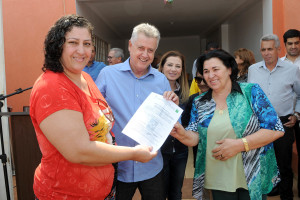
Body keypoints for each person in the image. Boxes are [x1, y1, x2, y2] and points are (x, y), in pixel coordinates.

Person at [29, 15, 157, 200]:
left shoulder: (86, 78)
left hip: (103, 191)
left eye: (87, 44)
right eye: (73, 42)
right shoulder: (52, 86)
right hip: (64, 194)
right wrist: (134, 153)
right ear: (57, 45)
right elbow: (79, 151)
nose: (82, 51)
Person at [171, 49, 284, 200]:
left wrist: (240, 145)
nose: (210, 75)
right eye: (205, 71)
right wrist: (181, 133)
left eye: (215, 69)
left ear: (229, 69)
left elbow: (276, 129)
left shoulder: (251, 92)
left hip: (251, 174)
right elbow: (195, 137)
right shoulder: (200, 102)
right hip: (217, 176)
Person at [95, 23, 179, 200]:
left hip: (152, 166)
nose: (145, 55)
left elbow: (167, 119)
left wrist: (172, 105)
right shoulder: (107, 74)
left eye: (151, 50)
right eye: (141, 48)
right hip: (118, 166)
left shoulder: (161, 79)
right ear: (130, 46)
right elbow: (93, 111)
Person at [248, 34, 300, 200]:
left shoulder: (292, 70)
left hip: (283, 123)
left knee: (283, 165)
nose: (267, 53)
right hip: (259, 124)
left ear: (278, 49)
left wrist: (297, 114)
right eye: (263, 49)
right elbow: (249, 96)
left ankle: (286, 197)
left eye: (270, 49)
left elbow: (299, 95)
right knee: (261, 164)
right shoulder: (253, 70)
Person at [158, 50, 189, 200]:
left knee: (176, 192)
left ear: (182, 70)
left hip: (181, 150)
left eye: (178, 66)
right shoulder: (154, 90)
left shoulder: (185, 92)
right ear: (162, 67)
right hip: (159, 151)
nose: (173, 69)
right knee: (159, 192)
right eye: (169, 65)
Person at [281, 29, 300, 197]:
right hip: (284, 117)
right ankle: (285, 192)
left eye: (297, 43)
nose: (294, 46)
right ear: (285, 45)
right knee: (284, 155)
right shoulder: (279, 64)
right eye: (290, 43)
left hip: (299, 114)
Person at [181, 67, 210, 167]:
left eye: (205, 80)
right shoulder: (193, 99)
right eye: (198, 80)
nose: (201, 83)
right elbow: (186, 122)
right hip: (198, 147)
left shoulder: (224, 99)